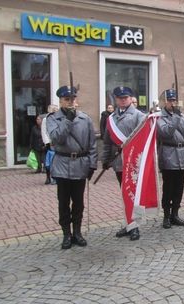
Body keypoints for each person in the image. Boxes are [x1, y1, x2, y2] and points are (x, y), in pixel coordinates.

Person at [46, 86, 97, 249]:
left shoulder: (85, 119)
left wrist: (92, 164)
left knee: (79, 203)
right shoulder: (53, 118)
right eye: (67, 99)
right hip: (62, 164)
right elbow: (56, 138)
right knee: (63, 202)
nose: (70, 102)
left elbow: (92, 144)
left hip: (80, 165)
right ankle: (66, 234)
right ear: (60, 101)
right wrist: (67, 120)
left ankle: (77, 232)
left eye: (73, 99)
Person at [102, 86, 146, 241]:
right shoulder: (111, 118)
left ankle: (135, 226)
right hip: (118, 162)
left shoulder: (139, 115)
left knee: (134, 196)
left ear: (130, 98)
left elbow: (142, 139)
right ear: (116, 99)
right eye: (120, 98)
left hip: (133, 162)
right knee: (124, 194)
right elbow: (107, 142)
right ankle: (128, 223)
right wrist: (105, 159)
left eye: (125, 97)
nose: (122, 100)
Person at [157, 89, 184, 229]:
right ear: (164, 102)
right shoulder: (159, 117)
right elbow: (166, 132)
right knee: (168, 189)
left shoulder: (182, 117)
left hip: (182, 155)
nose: (172, 103)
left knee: (179, 189)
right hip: (168, 155)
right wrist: (175, 118)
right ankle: (166, 216)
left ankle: (175, 214)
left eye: (174, 100)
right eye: (169, 100)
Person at [41, 104, 59, 185]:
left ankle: (56, 177)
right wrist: (47, 142)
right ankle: (48, 177)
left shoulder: (58, 118)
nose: (55, 111)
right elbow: (44, 131)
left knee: (57, 160)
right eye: (54, 109)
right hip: (50, 143)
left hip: (57, 143)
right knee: (49, 161)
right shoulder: (46, 119)